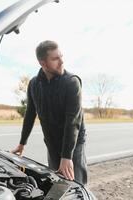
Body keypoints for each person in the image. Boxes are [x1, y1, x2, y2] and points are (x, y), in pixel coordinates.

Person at [12, 40, 87, 185]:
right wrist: (22, 143)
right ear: (42, 63)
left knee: (77, 186)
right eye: (55, 58)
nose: (61, 61)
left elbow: (73, 121)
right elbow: (30, 114)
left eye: (61, 56)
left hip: (74, 144)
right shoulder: (34, 84)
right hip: (52, 143)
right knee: (57, 184)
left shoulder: (72, 82)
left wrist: (67, 157)